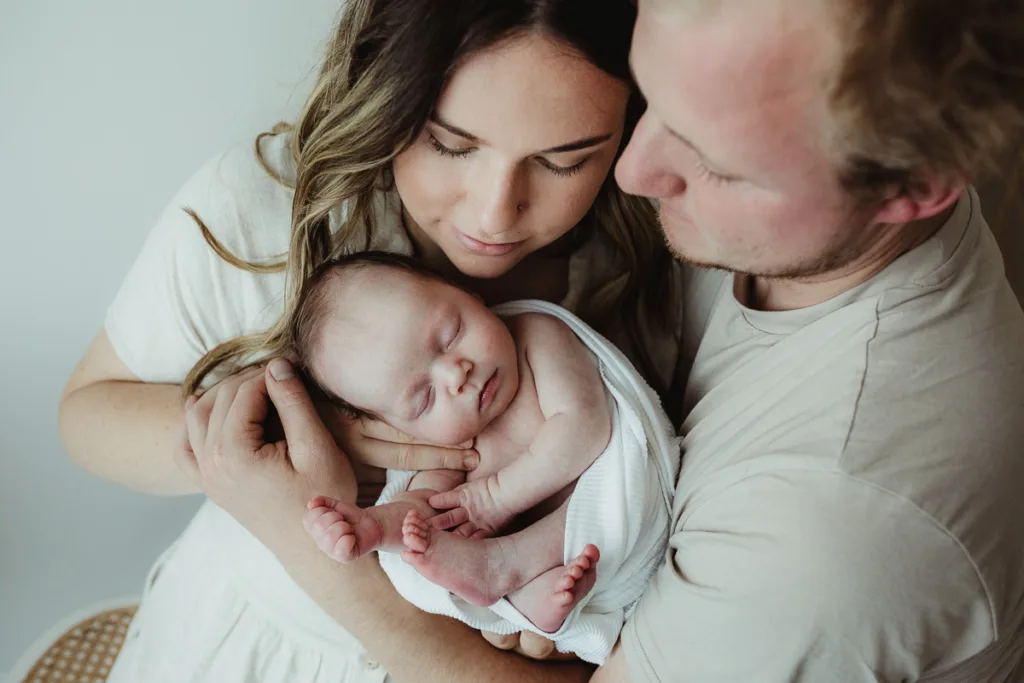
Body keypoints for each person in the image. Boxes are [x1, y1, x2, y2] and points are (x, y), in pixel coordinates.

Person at [169, 0, 1024, 682]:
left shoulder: (830, 523)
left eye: (717, 161)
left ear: (913, 185)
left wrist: (306, 541)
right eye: (652, 101)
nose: (632, 173)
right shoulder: (812, 172)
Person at [58, 0, 684, 681]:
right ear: (387, 90)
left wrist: (554, 615)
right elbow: (86, 414)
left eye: (564, 162)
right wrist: (269, 447)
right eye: (451, 144)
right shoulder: (265, 212)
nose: (494, 213)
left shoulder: (644, 274)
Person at [293, 251, 676, 662]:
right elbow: (428, 507)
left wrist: (496, 497)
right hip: (579, 576)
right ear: (401, 429)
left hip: (625, 521)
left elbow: (585, 429)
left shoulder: (537, 339)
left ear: (468, 293)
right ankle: (529, 597)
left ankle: (508, 567)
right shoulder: (449, 445)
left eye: (451, 334)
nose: (456, 373)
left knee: (610, 490)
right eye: (423, 398)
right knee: (411, 560)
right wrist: (374, 526)